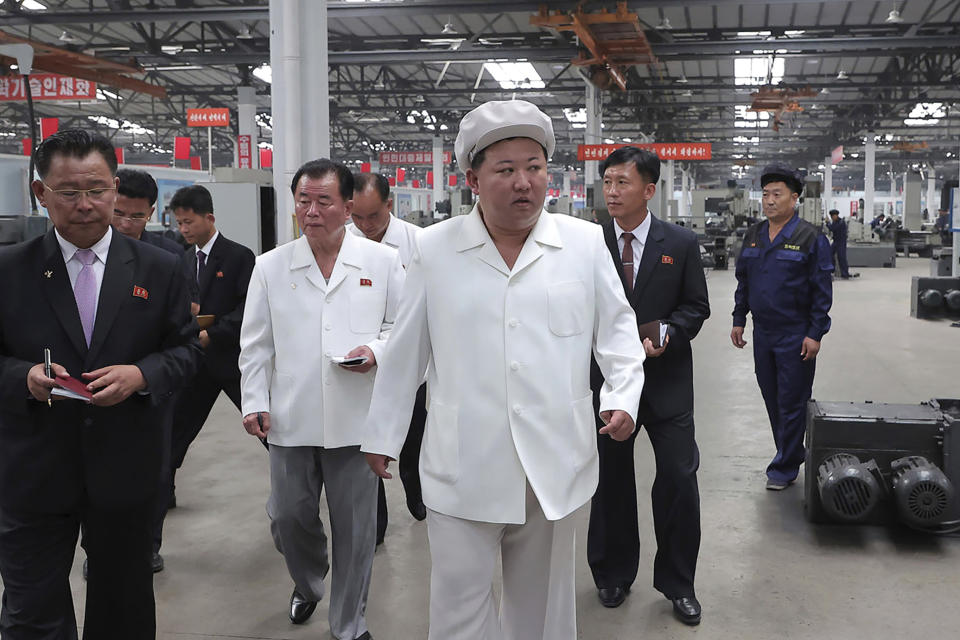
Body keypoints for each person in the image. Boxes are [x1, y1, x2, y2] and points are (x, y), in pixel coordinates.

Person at [361, 100, 646, 640]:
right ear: (472, 178)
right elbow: (406, 350)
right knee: (458, 610)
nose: (524, 183)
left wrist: (623, 395)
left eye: (535, 168)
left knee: (542, 614)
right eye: (506, 170)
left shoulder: (583, 244)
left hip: (555, 461)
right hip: (462, 462)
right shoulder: (435, 248)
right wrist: (383, 433)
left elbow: (617, 332)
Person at [0, 129, 200, 638]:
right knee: (30, 612)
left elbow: (185, 352)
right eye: (68, 192)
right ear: (40, 194)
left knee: (125, 609)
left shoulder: (162, 268)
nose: (84, 205)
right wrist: (22, 376)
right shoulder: (10, 271)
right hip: (33, 471)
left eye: (96, 190)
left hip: (125, 467)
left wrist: (142, 374)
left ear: (115, 187)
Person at [239, 159, 404, 640]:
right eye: (303, 201)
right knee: (289, 517)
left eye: (323, 201)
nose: (311, 211)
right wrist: (254, 401)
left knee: (357, 532)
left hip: (358, 418)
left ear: (348, 206)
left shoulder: (382, 263)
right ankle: (308, 583)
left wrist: (374, 350)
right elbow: (256, 343)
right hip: (291, 415)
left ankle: (349, 624)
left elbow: (402, 329)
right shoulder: (271, 266)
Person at [587, 147, 710, 625]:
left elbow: (696, 307)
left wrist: (668, 333)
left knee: (679, 479)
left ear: (650, 189)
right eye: (608, 183)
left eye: (622, 183)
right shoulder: (589, 242)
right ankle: (612, 574)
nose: (612, 192)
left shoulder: (679, 243)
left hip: (666, 382)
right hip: (608, 384)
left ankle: (679, 584)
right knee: (611, 480)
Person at [731, 163, 833, 491]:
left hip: (795, 332)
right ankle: (789, 450)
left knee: (792, 399)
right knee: (771, 396)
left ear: (794, 198)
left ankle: (785, 464)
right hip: (763, 332)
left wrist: (815, 333)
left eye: (777, 194)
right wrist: (738, 319)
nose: (769, 200)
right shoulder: (754, 235)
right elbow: (743, 281)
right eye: (765, 194)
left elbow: (821, 290)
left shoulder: (810, 237)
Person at [349, 172, 427, 542]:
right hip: (363, 364)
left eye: (373, 217)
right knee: (369, 444)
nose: (365, 226)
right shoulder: (344, 244)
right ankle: (375, 525)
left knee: (412, 444)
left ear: (390, 205)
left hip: (414, 365)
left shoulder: (418, 242)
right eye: (357, 217)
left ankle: (415, 486)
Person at [169, 185, 256, 507]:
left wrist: (213, 332)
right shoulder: (182, 260)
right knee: (177, 429)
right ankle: (165, 490)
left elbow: (249, 308)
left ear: (210, 218)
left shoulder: (238, 256)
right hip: (196, 362)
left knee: (265, 426)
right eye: (179, 223)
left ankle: (301, 481)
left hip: (233, 360)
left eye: (189, 222)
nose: (183, 229)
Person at [112, 168, 185, 256]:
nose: (126, 225)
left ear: (150, 213)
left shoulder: (169, 254)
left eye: (136, 217)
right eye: (118, 214)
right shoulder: (92, 247)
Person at [826, 209, 856, 279]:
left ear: (836, 215)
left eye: (833, 216)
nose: (832, 218)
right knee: (829, 254)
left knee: (842, 258)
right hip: (836, 241)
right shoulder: (835, 221)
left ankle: (845, 273)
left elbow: (833, 228)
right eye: (831, 217)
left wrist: (827, 223)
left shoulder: (841, 222)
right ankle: (831, 270)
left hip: (841, 242)